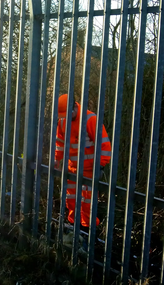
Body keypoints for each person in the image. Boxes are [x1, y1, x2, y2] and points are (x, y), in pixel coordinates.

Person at [54, 94, 111, 228]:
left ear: (75, 106)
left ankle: (88, 232)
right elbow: (59, 143)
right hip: (72, 170)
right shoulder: (62, 122)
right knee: (71, 201)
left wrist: (101, 166)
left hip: (89, 171)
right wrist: (56, 159)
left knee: (87, 204)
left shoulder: (90, 119)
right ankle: (74, 228)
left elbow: (104, 145)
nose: (65, 118)